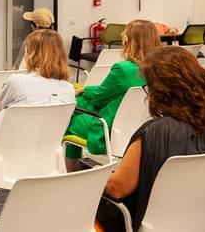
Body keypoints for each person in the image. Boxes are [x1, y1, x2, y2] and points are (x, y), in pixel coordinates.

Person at [0, 29, 75, 211]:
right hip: (42, 161)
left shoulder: (17, 81)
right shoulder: (68, 89)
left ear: (32, 53)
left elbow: (0, 108)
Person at [99, 46, 205, 231]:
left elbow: (118, 188)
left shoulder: (154, 133)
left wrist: (97, 175)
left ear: (160, 90)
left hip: (148, 223)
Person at [65, 19, 161, 163]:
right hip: (144, 129)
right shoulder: (160, 68)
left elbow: (98, 99)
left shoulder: (123, 69)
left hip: (109, 131)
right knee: (80, 101)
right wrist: (85, 89)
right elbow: (118, 91)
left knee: (72, 118)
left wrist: (81, 92)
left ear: (129, 40)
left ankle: (72, 174)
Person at [0, 7, 55, 103]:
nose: (30, 26)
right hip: (47, 88)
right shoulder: (56, 43)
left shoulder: (29, 42)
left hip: (24, 86)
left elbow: (16, 70)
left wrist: (0, 76)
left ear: (36, 26)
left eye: (31, 24)